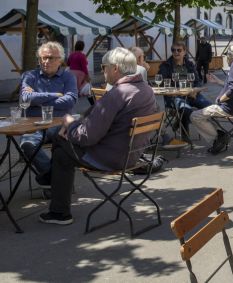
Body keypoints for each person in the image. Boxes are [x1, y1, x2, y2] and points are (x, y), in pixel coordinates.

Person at [38, 47, 157, 225]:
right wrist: (78, 123)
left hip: (111, 158)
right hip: (133, 155)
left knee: (60, 146)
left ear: (115, 68)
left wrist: (70, 124)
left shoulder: (118, 94)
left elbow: (87, 137)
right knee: (61, 146)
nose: (103, 71)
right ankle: (52, 187)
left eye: (104, 67)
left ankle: (58, 208)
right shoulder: (146, 89)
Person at [20, 42, 78, 187]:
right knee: (27, 144)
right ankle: (54, 177)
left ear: (60, 60)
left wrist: (37, 98)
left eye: (51, 58)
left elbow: (70, 101)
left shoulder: (68, 76)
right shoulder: (29, 76)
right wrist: (54, 95)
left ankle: (52, 180)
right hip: (34, 123)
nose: (46, 61)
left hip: (59, 123)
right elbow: (25, 98)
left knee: (64, 145)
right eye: (42, 58)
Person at [191, 45, 233, 154]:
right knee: (207, 113)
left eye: (227, 56)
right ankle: (220, 135)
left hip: (229, 107)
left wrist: (220, 100)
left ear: (231, 56)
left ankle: (220, 137)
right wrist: (218, 82)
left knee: (195, 116)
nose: (227, 59)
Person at [158, 40, 212, 137]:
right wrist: (177, 92)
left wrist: (195, 91)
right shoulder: (165, 66)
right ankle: (185, 136)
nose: (176, 52)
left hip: (192, 95)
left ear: (184, 52)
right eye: (173, 50)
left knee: (210, 107)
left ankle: (218, 133)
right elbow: (162, 84)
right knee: (185, 110)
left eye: (179, 50)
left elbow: (198, 81)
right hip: (175, 97)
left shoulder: (190, 64)